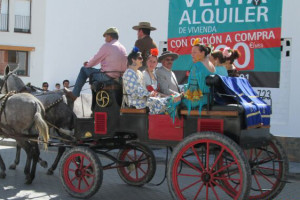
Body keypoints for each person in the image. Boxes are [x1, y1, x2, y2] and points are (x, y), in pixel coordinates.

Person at [65, 27, 127, 101]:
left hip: (107, 76)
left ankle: (74, 95)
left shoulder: (107, 46)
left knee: (83, 70)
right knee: (95, 74)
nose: (105, 39)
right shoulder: (123, 47)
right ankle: (95, 104)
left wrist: (87, 64)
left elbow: (95, 59)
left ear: (110, 37)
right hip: (118, 78)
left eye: (106, 37)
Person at [122, 47, 167, 114]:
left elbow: (143, 89)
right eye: (140, 58)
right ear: (133, 60)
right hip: (134, 102)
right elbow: (135, 92)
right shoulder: (129, 73)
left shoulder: (139, 73)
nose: (142, 60)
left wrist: (151, 94)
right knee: (159, 102)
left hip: (142, 99)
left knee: (164, 101)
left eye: (142, 58)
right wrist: (149, 94)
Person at [182, 39, 215, 114]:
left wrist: (180, 95)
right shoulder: (212, 66)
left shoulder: (197, 66)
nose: (192, 55)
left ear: (202, 53)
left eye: (194, 52)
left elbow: (192, 90)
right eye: (191, 53)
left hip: (198, 101)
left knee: (171, 102)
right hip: (209, 99)